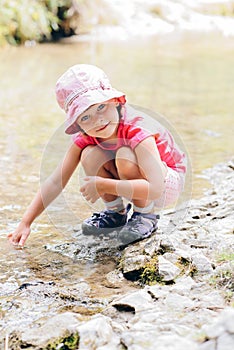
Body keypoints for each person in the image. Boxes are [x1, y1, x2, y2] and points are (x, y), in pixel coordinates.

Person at [8, 64, 186, 247]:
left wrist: (103, 185)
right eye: (85, 117)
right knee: (88, 154)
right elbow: (55, 181)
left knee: (125, 155)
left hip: (165, 184)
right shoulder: (86, 136)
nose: (98, 120)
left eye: (101, 107)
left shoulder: (138, 130)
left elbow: (156, 188)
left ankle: (145, 214)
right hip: (136, 181)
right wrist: (26, 222)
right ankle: (115, 213)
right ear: (78, 125)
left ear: (115, 101)